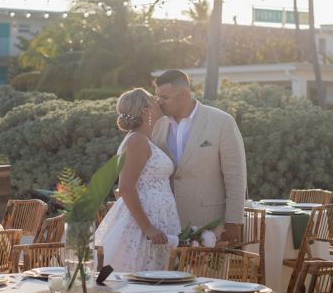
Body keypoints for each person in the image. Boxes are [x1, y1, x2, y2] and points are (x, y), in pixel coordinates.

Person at [152, 69, 247, 245]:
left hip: (208, 224)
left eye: (164, 97)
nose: (159, 102)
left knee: (207, 273)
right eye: (157, 97)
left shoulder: (222, 122)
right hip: (167, 224)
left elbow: (235, 176)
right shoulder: (157, 125)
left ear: (184, 94)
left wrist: (234, 221)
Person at [95, 88, 181, 271]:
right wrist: (148, 228)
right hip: (143, 224)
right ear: (144, 109)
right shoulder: (137, 141)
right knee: (139, 275)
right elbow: (125, 187)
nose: (158, 100)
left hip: (158, 217)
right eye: (152, 98)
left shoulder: (145, 139)